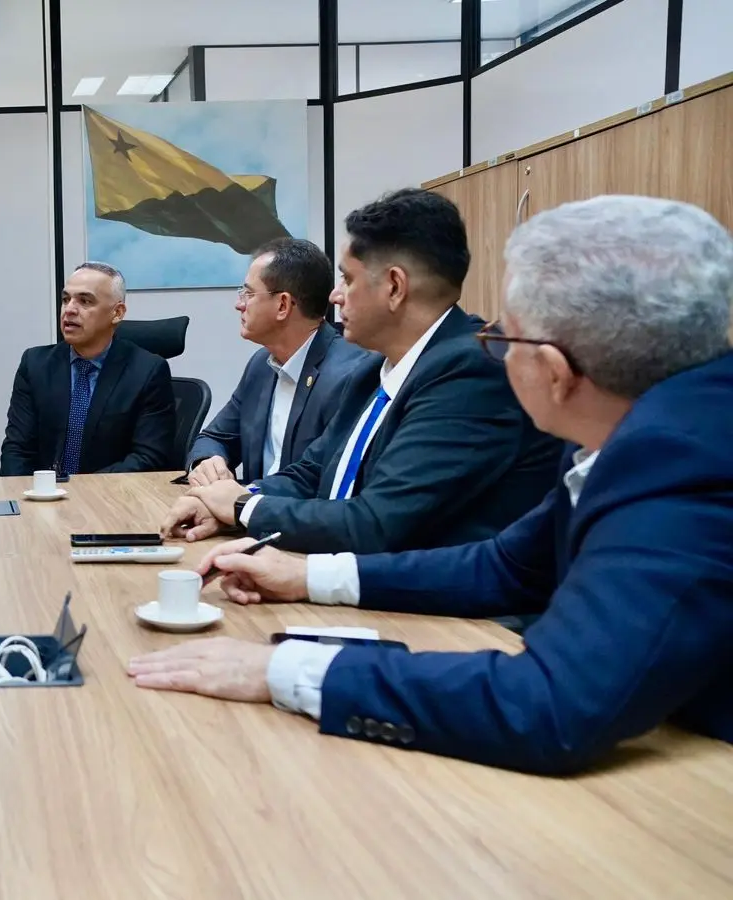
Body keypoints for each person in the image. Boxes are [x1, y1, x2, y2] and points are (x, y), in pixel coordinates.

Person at [129, 195, 733, 774]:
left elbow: (549, 705)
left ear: (555, 372)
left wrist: (281, 670)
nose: (494, 353)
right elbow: (507, 566)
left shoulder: (678, 462)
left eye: (504, 338)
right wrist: (303, 576)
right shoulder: (650, 427)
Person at [162, 189, 561, 554]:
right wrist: (229, 503)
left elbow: (376, 522)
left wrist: (242, 507)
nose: (335, 296)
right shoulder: (374, 369)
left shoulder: (470, 373)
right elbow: (310, 473)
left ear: (394, 287)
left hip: (435, 601)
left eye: (348, 279)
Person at [186, 238, 378, 486]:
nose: (239, 304)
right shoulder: (261, 365)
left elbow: (319, 480)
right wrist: (208, 462)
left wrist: (246, 499)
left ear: (283, 305)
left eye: (249, 294)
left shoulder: (351, 375)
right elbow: (214, 437)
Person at [0, 261, 176, 476]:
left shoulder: (148, 372)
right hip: (43, 492)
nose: (69, 310)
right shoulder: (35, 364)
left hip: (110, 493)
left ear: (117, 312)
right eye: (66, 299)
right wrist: (20, 492)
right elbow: (17, 450)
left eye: (85, 301)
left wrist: (81, 490)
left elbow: (148, 458)